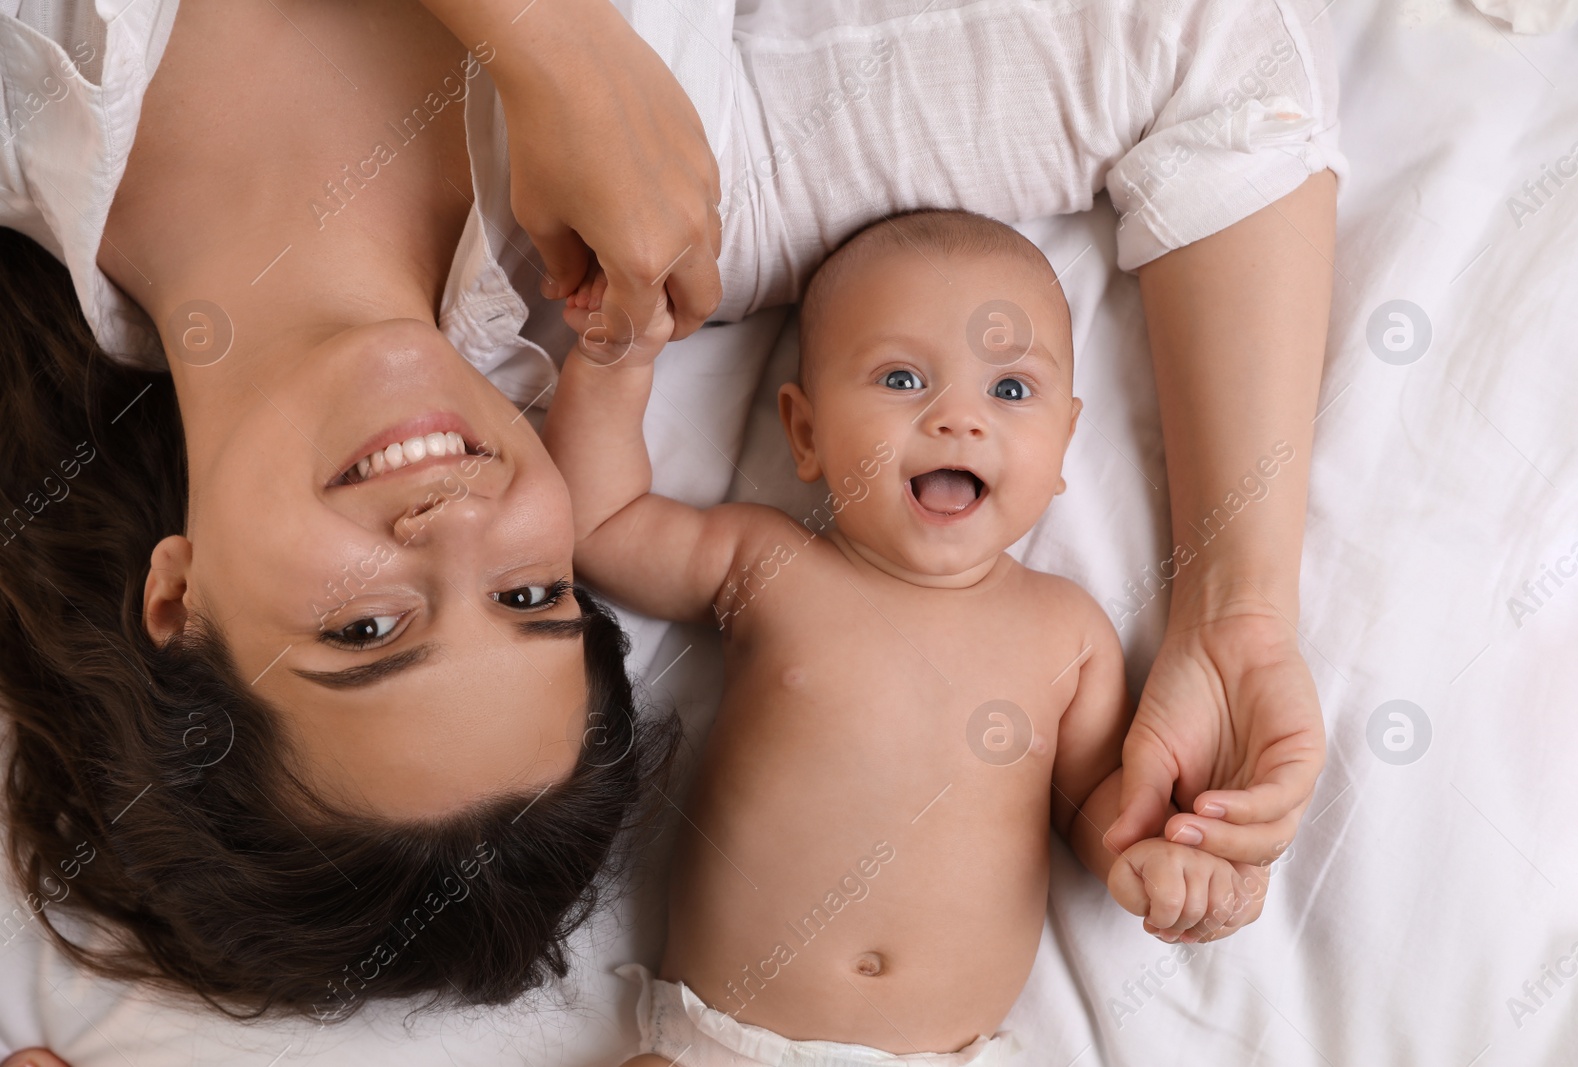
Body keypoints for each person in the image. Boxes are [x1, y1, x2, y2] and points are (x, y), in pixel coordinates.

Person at [0, 0, 1338, 1033]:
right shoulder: (677, 207)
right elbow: (1206, 62)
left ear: (177, 598)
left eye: (367, 621)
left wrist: (558, 51)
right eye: (530, 597)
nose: (458, 524)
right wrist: (1239, 611)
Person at [546, 210, 1265, 1067]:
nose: (959, 418)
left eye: (1009, 390)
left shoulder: (1066, 630)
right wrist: (616, 358)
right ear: (806, 433)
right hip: (721, 1045)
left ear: (1066, 440)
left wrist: (1162, 861)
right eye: (900, 379)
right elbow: (600, 521)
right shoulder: (767, 563)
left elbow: (1097, 805)